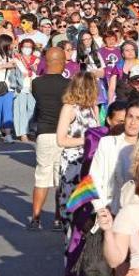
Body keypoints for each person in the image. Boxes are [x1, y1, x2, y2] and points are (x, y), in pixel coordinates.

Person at [28, 47, 70, 230]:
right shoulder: (70, 84)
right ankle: (58, 219)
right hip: (64, 134)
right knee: (61, 178)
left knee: (41, 177)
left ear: (46, 62)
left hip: (44, 133)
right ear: (63, 63)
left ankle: (35, 218)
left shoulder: (37, 83)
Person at [55, 72, 100, 231]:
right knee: (71, 208)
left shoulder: (94, 108)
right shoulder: (69, 108)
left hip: (90, 163)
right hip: (73, 163)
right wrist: (87, 140)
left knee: (89, 209)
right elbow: (61, 140)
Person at [12, 38, 40, 141]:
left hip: (33, 86)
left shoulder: (36, 59)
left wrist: (35, 69)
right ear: (21, 47)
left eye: (29, 47)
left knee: (32, 109)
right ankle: (22, 133)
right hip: (21, 86)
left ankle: (29, 129)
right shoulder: (16, 58)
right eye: (25, 46)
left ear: (33, 48)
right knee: (20, 110)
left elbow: (39, 72)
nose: (27, 49)